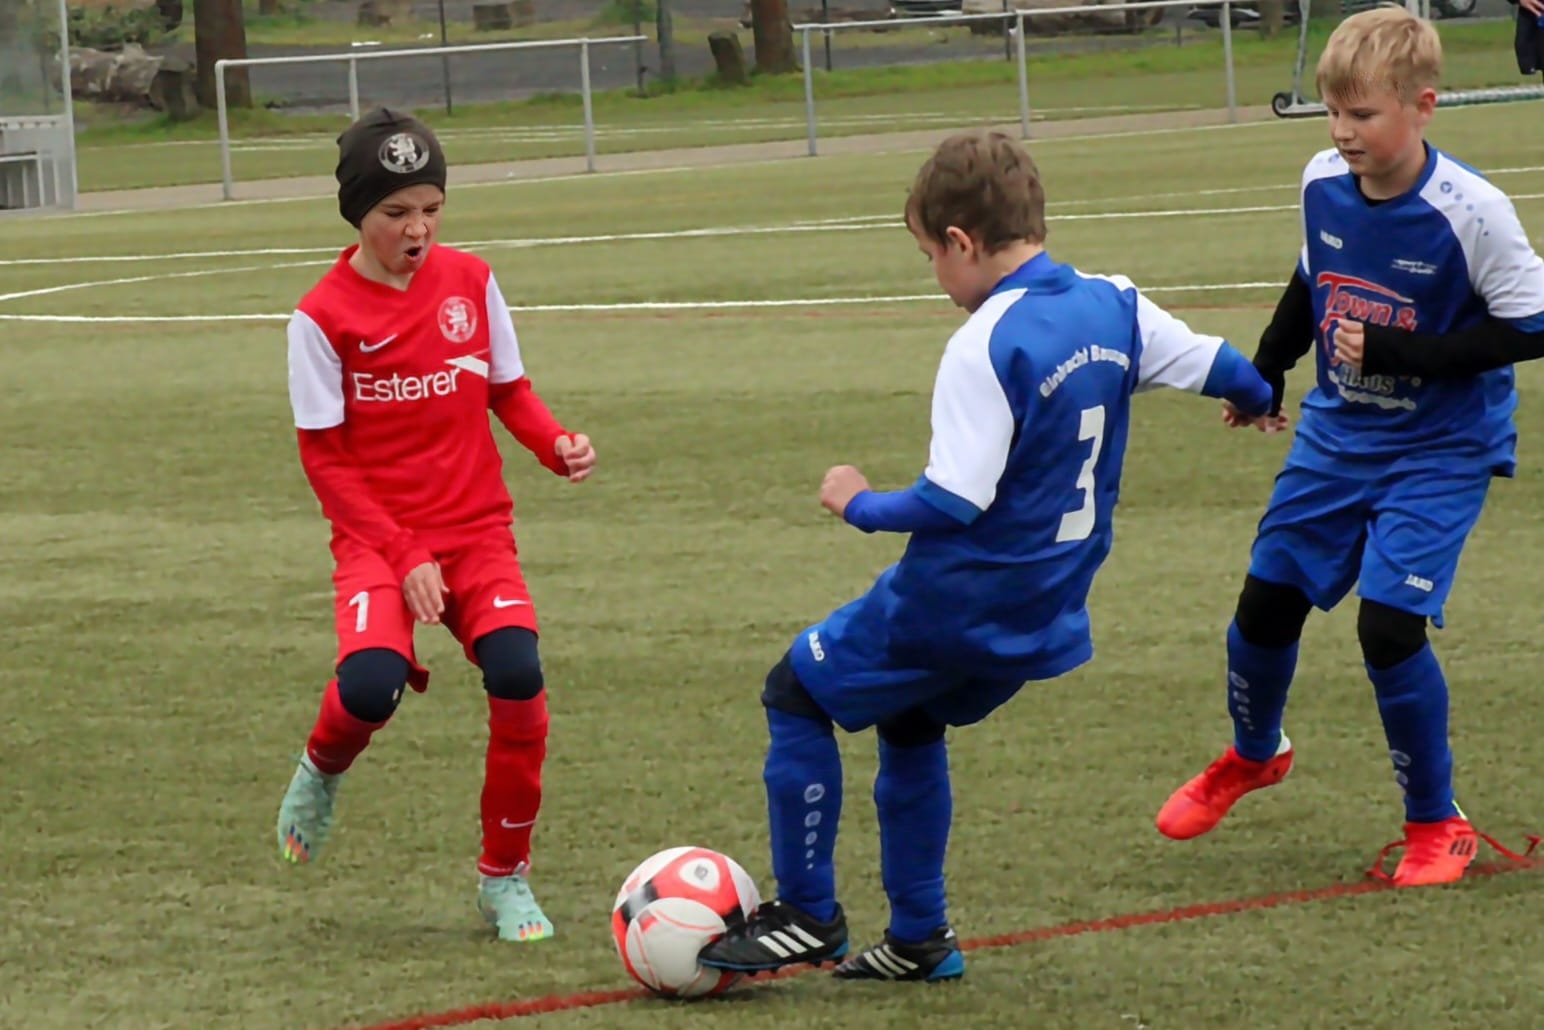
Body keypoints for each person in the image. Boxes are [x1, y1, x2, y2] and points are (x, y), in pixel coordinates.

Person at [695, 128, 1275, 983]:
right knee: (911, 719)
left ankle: (808, 914)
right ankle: (920, 939)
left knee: (795, 691)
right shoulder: (1113, 304)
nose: (937, 276)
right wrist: (1255, 398)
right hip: (1046, 611)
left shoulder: (986, 342)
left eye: (931, 255)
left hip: (956, 603)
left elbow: (951, 501)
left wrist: (858, 502)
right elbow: (1222, 364)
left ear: (962, 242)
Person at [1154, 7, 1544, 887]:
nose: (1342, 132)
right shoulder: (1323, 179)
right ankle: (1255, 753)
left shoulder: (1473, 211)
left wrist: (1403, 353)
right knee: (1265, 606)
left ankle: (1437, 822)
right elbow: (1311, 279)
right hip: (1339, 433)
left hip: (1441, 448)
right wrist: (1267, 369)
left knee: (1388, 627)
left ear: (1422, 106)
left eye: (1363, 114)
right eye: (1334, 112)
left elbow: (1533, 324)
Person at [274, 107, 596, 942]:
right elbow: (326, 462)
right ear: (357, 213)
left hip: (476, 530)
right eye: (396, 212)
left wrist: (555, 444)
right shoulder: (320, 318)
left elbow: (507, 392)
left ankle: (504, 878)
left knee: (519, 676)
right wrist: (403, 551)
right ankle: (323, 764)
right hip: (380, 540)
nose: (417, 229)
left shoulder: (472, 281)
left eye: (431, 209)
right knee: (369, 688)